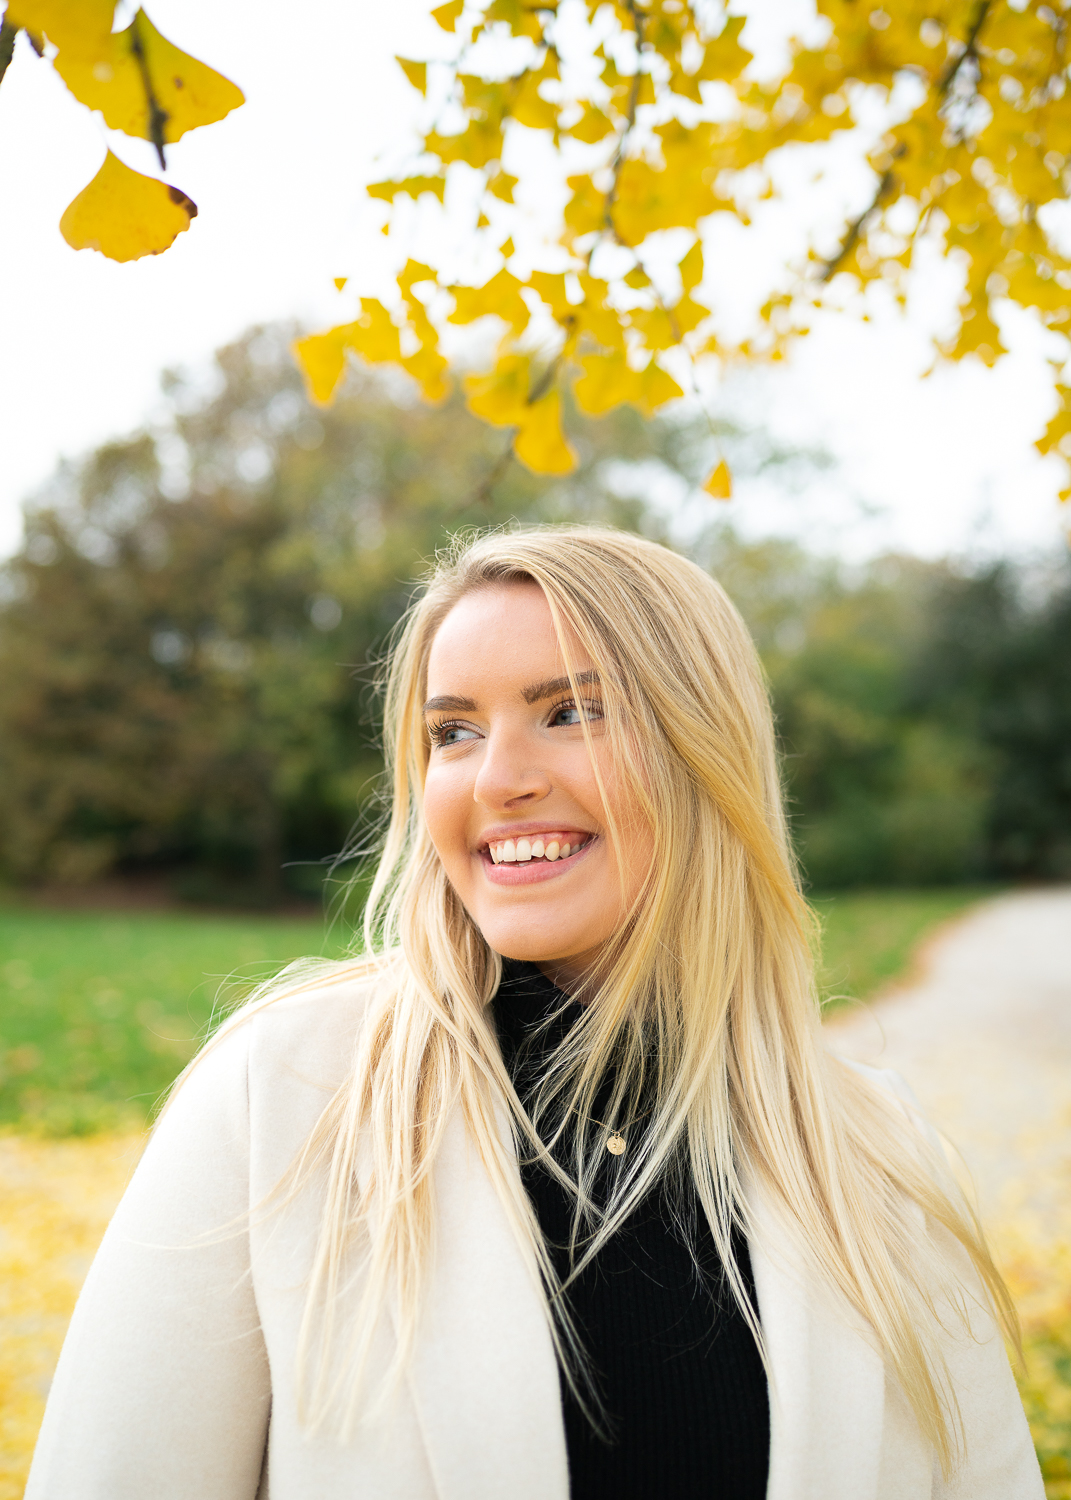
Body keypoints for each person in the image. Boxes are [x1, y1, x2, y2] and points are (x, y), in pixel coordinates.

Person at [27, 526, 1042, 1500]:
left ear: (706, 751)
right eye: (454, 731)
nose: (498, 781)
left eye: (571, 712)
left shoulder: (877, 1154)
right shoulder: (281, 1099)